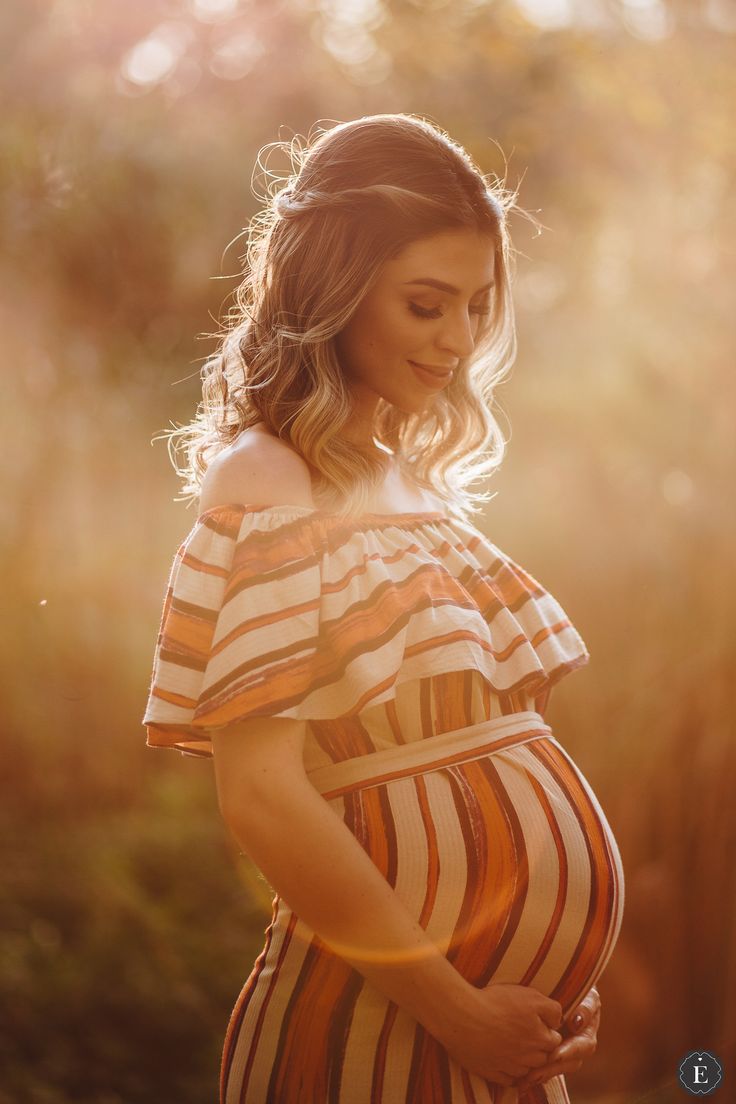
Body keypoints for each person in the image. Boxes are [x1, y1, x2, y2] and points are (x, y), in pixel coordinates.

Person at [142, 113, 624, 1103]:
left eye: (476, 307)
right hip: (375, 1034)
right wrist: (454, 1006)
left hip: (495, 1044)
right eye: (424, 304)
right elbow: (264, 797)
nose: (457, 341)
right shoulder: (266, 476)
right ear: (334, 289)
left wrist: (564, 980)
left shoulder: (413, 484)